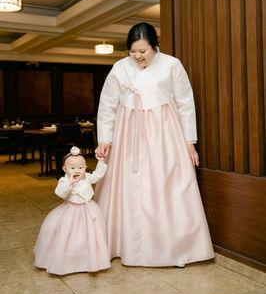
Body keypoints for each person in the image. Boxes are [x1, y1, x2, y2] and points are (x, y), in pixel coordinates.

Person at [94, 22, 214, 267]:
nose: (138, 56)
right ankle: (122, 244)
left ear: (155, 47)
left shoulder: (172, 65)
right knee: (126, 186)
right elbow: (107, 106)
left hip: (165, 132)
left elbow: (185, 103)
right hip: (128, 133)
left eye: (143, 51)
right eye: (133, 52)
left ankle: (171, 248)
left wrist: (189, 142)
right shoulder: (119, 68)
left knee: (166, 184)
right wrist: (105, 138)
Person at [34, 146, 111, 275]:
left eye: (81, 167)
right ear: (65, 169)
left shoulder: (86, 177)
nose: (77, 170)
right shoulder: (64, 180)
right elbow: (61, 193)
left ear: (85, 168)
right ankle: (68, 261)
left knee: (89, 235)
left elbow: (98, 175)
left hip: (88, 209)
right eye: (72, 168)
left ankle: (87, 259)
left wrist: (101, 162)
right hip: (71, 210)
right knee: (69, 235)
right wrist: (69, 183)